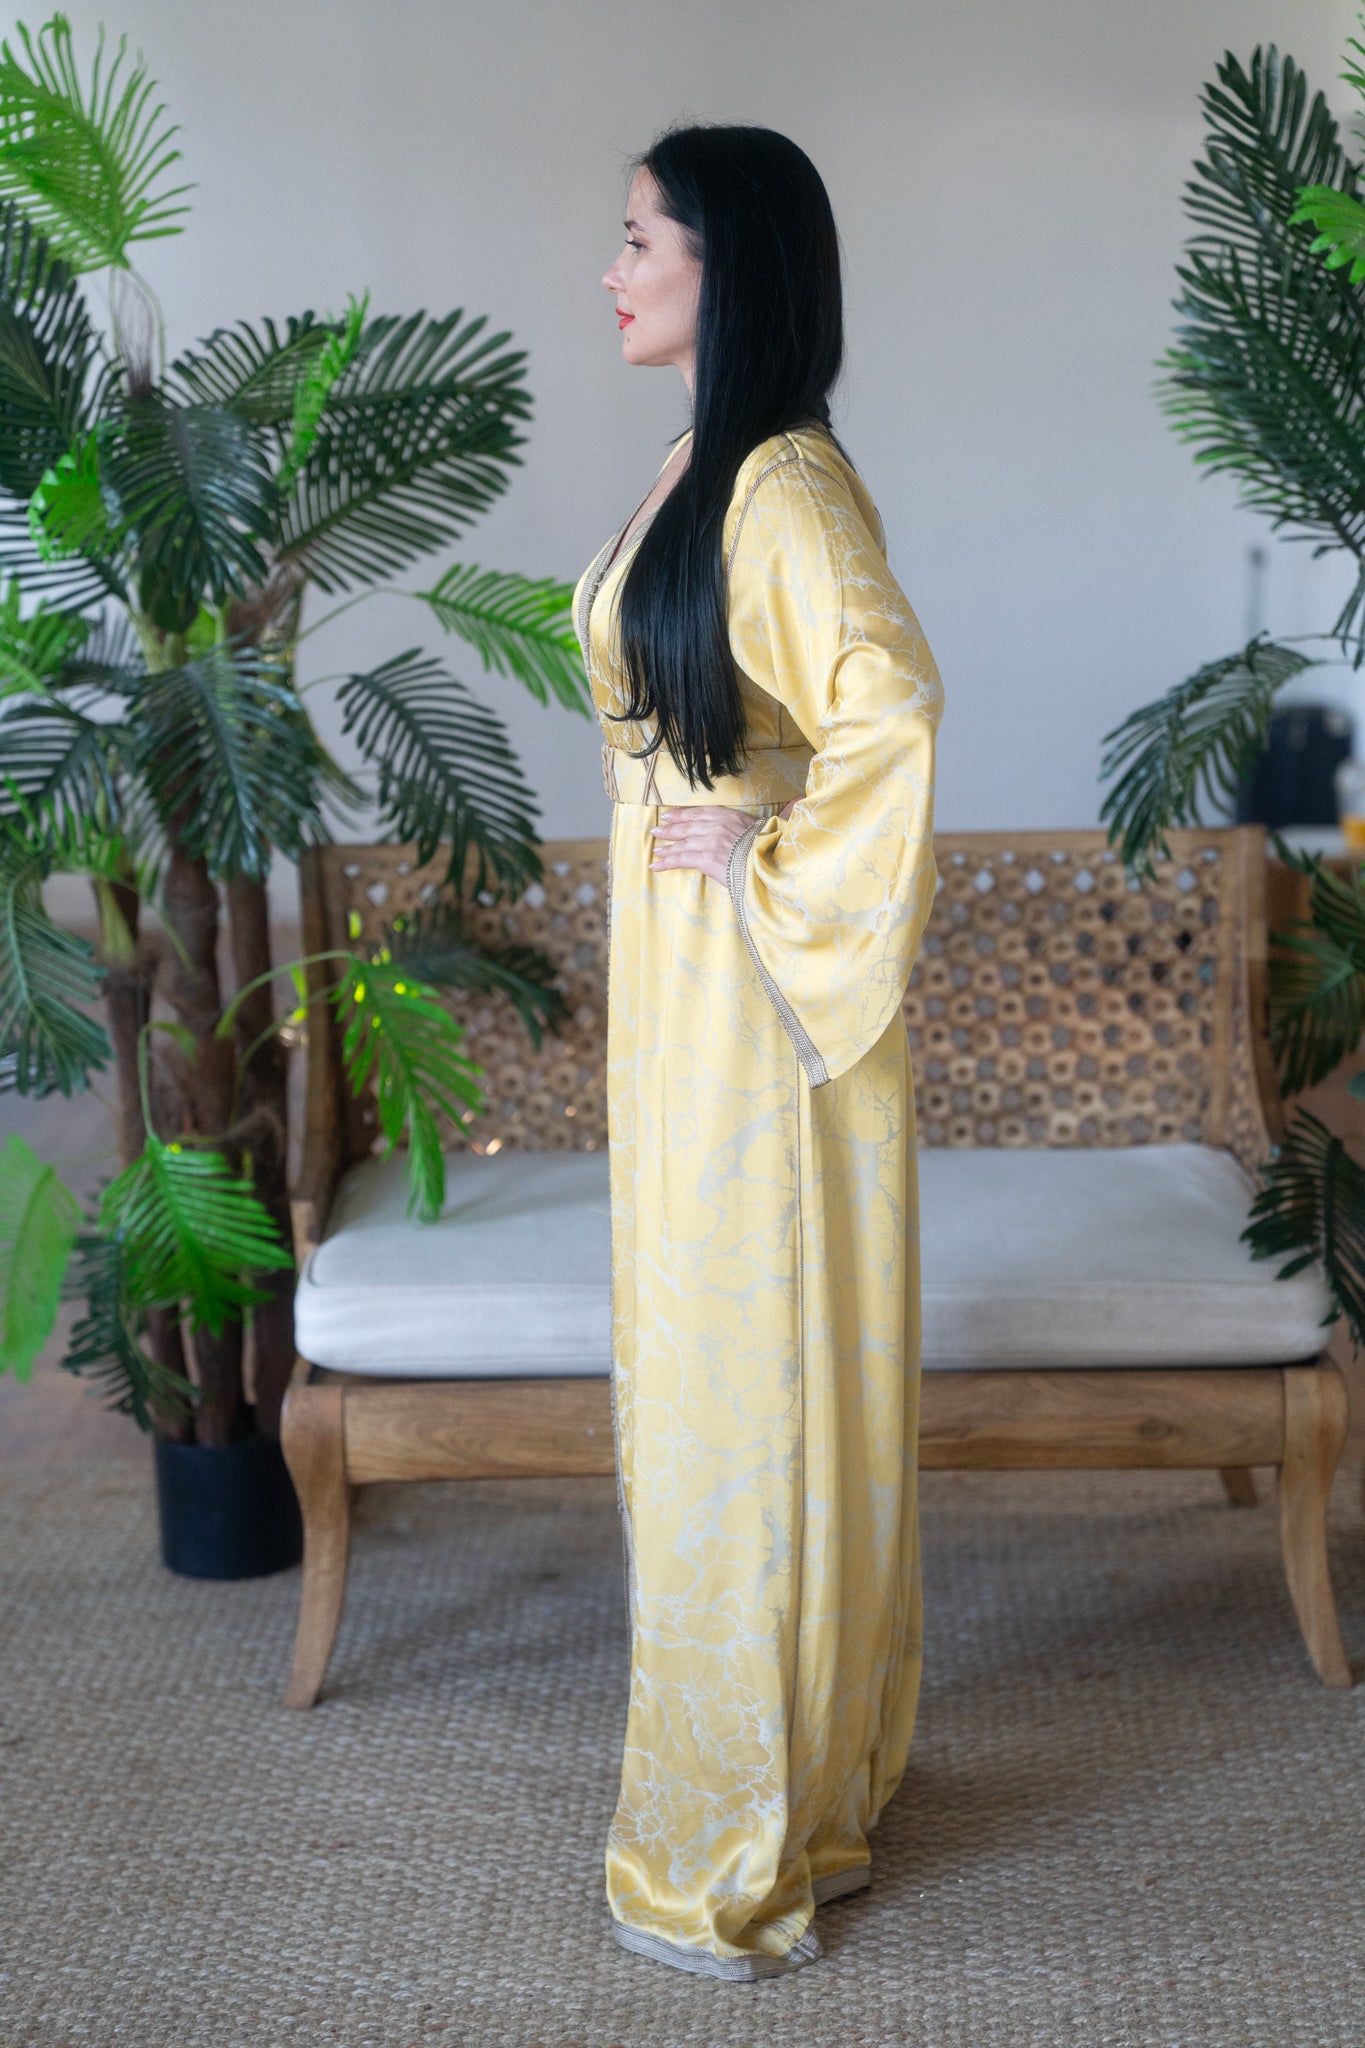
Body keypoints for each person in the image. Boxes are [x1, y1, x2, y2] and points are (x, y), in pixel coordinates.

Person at [572, 122, 943, 1980]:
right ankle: (798, 1790)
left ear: (732, 267)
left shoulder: (783, 486)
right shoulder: (696, 465)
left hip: (758, 1004)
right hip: (688, 999)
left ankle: (737, 1838)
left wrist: (768, 848)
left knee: (747, 1391)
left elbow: (889, 706)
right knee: (704, 1377)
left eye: (641, 238)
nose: (613, 269)